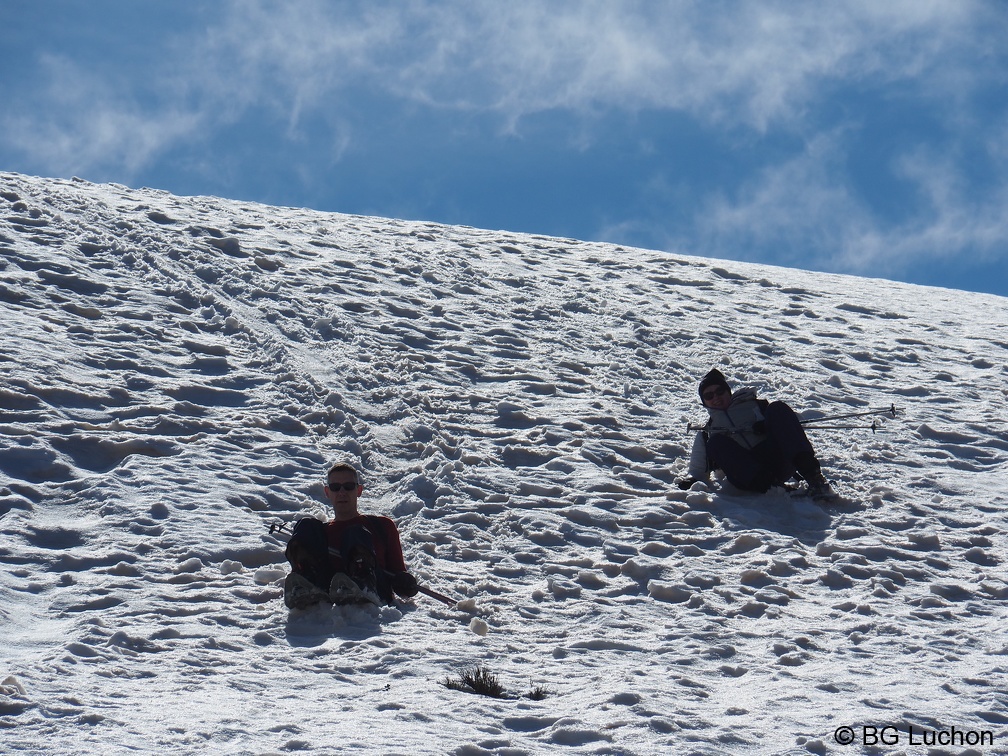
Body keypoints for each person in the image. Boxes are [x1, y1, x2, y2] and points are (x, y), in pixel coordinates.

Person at [677, 369, 832, 498]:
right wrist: (692, 481)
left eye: (720, 391)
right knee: (716, 443)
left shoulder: (756, 406)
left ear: (728, 391)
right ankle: (774, 488)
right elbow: (698, 468)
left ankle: (814, 478)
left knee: (777, 408)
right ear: (704, 402)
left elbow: (792, 423)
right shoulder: (709, 430)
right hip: (748, 475)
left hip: (777, 460)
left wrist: (767, 425)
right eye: (709, 396)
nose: (716, 397)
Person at [284, 462, 418, 608]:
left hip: (376, 590)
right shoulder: (319, 534)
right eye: (336, 488)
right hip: (327, 590)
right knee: (305, 525)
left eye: (348, 486)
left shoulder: (382, 526)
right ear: (327, 492)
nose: (342, 492)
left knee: (355, 533)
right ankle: (306, 582)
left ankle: (363, 581)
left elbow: (397, 573)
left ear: (359, 490)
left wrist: (405, 582)